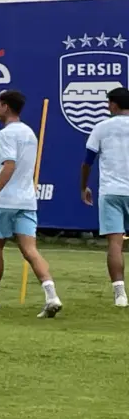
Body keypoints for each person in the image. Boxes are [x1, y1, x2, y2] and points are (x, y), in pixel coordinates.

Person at [0, 89, 61, 317]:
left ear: (6, 107)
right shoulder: (29, 133)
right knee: (30, 250)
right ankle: (52, 296)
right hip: (27, 201)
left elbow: (9, 165)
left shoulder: (7, 134)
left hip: (5, 202)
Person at [80, 85, 129, 308]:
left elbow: (88, 161)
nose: (107, 106)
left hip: (110, 192)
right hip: (115, 190)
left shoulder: (101, 127)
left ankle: (120, 294)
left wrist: (83, 187)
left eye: (109, 102)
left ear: (115, 104)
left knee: (115, 245)